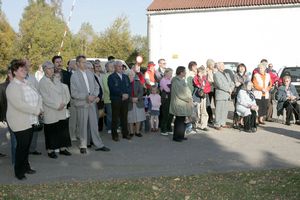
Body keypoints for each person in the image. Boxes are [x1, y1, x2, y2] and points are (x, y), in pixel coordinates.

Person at [6, 59, 43, 180]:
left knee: (26, 146)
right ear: (15, 72)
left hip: (31, 120)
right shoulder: (12, 86)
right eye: (21, 69)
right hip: (20, 121)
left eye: (25, 69)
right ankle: (19, 172)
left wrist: (40, 108)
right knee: (22, 147)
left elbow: (38, 96)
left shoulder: (28, 83)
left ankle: (26, 167)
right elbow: (19, 104)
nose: (24, 71)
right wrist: (36, 111)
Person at [70, 55, 110, 154]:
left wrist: (94, 96)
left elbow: (97, 87)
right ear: (78, 64)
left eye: (85, 61)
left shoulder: (90, 73)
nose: (85, 63)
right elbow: (74, 93)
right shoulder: (74, 76)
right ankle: (83, 145)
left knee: (94, 124)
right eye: (83, 62)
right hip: (82, 103)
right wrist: (86, 96)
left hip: (92, 103)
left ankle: (99, 144)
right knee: (82, 125)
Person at [39, 61, 72, 159]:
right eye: (49, 68)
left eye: (52, 68)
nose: (51, 70)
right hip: (51, 110)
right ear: (45, 70)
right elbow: (45, 98)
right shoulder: (42, 82)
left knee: (62, 130)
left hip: (61, 109)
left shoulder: (56, 80)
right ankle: (50, 150)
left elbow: (64, 92)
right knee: (51, 131)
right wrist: (57, 105)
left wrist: (64, 103)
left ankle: (62, 148)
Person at [108, 60, 131, 141]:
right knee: (115, 118)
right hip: (116, 100)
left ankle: (125, 133)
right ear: (115, 67)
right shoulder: (111, 77)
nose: (121, 68)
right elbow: (113, 88)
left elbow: (129, 87)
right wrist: (122, 94)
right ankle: (115, 135)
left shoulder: (125, 77)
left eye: (122, 66)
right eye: (119, 66)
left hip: (125, 100)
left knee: (124, 117)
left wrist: (127, 94)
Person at [169, 66, 193, 142]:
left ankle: (181, 135)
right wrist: (188, 99)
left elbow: (187, 90)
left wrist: (189, 98)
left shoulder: (182, 80)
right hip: (179, 103)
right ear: (181, 72)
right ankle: (176, 137)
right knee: (179, 120)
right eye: (184, 72)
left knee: (182, 120)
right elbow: (180, 94)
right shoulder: (176, 81)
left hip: (184, 103)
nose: (185, 73)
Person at [24, 59, 42, 156]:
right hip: (24, 109)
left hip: (34, 108)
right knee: (25, 131)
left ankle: (32, 148)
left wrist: (40, 108)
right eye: (26, 65)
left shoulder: (32, 77)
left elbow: (38, 92)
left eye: (29, 65)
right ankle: (25, 149)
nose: (28, 67)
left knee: (35, 130)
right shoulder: (18, 78)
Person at [213, 62, 235, 130]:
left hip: (227, 94)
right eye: (222, 65)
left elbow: (232, 82)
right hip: (221, 94)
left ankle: (223, 123)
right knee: (219, 110)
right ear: (218, 67)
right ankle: (217, 124)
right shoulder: (216, 74)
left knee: (225, 110)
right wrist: (228, 89)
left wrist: (231, 88)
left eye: (223, 65)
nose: (223, 66)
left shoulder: (227, 74)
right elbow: (220, 85)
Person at [127, 70, 146, 137]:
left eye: (132, 75)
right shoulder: (125, 83)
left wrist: (137, 98)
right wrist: (131, 99)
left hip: (138, 102)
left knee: (139, 118)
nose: (131, 76)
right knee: (130, 118)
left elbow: (142, 91)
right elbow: (125, 93)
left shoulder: (138, 82)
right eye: (129, 75)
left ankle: (137, 132)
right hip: (129, 103)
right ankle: (131, 132)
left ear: (134, 76)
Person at [192, 66, 210, 131]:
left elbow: (208, 87)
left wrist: (204, 90)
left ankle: (204, 125)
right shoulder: (195, 78)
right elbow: (197, 84)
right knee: (196, 111)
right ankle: (194, 125)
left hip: (203, 95)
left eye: (201, 72)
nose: (200, 73)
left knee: (204, 111)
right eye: (199, 72)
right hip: (196, 95)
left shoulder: (205, 78)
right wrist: (200, 78)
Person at [232, 63, 248, 128]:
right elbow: (236, 83)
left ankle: (241, 121)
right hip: (237, 93)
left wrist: (241, 82)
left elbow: (247, 84)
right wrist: (243, 82)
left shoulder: (246, 76)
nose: (242, 68)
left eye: (243, 67)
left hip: (244, 93)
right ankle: (235, 122)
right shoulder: (235, 75)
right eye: (240, 67)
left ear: (245, 69)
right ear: (238, 68)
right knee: (236, 108)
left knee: (243, 107)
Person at [159, 68, 173, 136]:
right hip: (165, 98)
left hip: (171, 98)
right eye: (170, 73)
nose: (171, 75)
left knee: (170, 114)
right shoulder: (163, 80)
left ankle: (168, 128)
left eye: (171, 73)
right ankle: (163, 129)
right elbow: (167, 90)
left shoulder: (171, 80)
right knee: (165, 114)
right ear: (166, 73)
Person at [102, 61, 114, 134]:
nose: (112, 67)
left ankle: (116, 127)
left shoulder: (116, 75)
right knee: (110, 114)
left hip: (116, 98)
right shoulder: (105, 76)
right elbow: (106, 88)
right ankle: (109, 127)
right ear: (106, 68)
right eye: (110, 66)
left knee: (116, 114)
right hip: (108, 99)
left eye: (113, 66)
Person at [93, 60, 105, 131]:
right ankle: (95, 127)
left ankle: (100, 128)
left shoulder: (103, 75)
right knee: (96, 113)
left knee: (101, 113)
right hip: (96, 97)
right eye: (96, 66)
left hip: (103, 97)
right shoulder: (93, 75)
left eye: (99, 66)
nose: (98, 67)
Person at [206, 59, 216, 124]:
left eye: (213, 65)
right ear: (209, 65)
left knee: (216, 104)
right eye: (211, 65)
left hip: (215, 88)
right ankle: (210, 117)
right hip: (209, 88)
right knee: (208, 103)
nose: (212, 66)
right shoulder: (206, 71)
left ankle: (216, 118)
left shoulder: (215, 71)